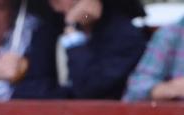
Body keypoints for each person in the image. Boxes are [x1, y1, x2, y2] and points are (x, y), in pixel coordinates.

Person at [12, 0, 147, 100]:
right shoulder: (51, 29)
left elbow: (89, 89)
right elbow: (28, 88)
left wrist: (74, 34)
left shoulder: (124, 35)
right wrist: (67, 94)